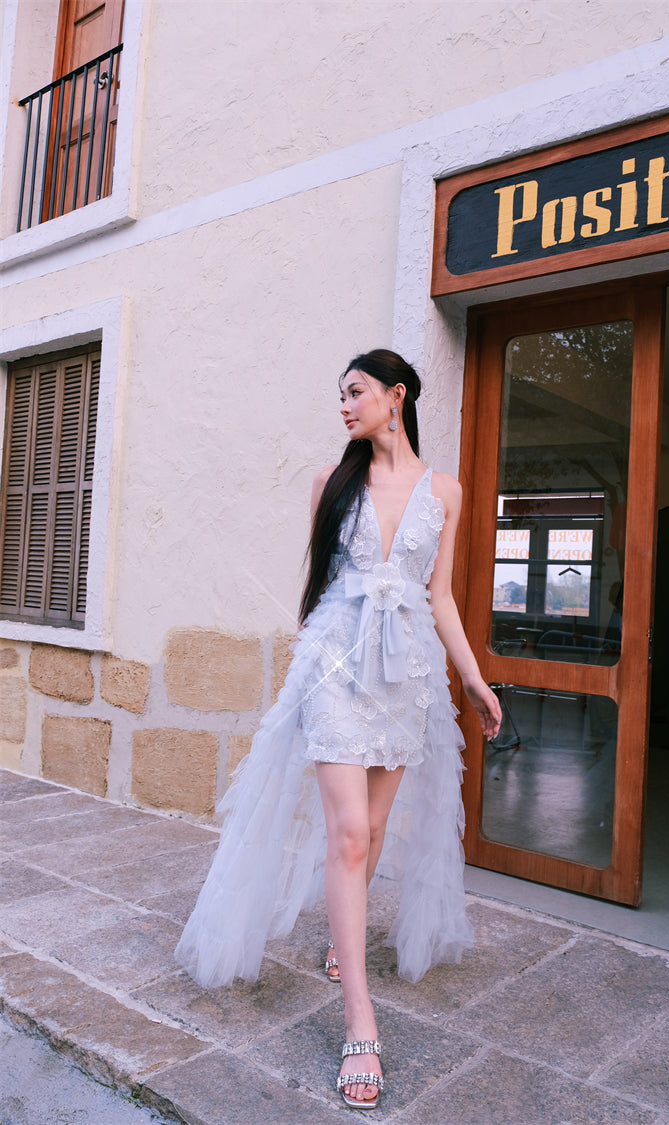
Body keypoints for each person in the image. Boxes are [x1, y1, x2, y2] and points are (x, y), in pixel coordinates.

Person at [175, 349, 502, 1111]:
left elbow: (441, 597)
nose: (345, 405)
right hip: (337, 667)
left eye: (356, 392)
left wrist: (474, 677)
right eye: (341, 395)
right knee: (350, 831)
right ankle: (360, 1020)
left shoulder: (445, 491)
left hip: (406, 672)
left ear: (397, 395)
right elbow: (318, 583)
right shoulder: (332, 481)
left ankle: (342, 938)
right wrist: (306, 665)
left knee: (374, 828)